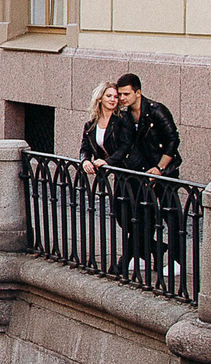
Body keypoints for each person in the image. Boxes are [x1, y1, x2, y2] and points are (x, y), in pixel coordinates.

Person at [111, 73, 184, 273]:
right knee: (142, 213)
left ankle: (177, 260)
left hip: (164, 170)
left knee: (171, 214)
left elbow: (172, 140)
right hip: (141, 172)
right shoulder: (124, 115)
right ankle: (145, 252)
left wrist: (160, 168)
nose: (122, 98)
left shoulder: (156, 111)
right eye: (120, 94)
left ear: (138, 92)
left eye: (126, 94)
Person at [77, 81, 122, 173]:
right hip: (105, 172)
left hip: (125, 168)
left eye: (116, 97)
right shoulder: (90, 125)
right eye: (108, 96)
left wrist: (107, 161)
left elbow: (125, 147)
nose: (112, 99)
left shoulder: (122, 119)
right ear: (100, 98)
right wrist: (85, 160)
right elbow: (85, 148)